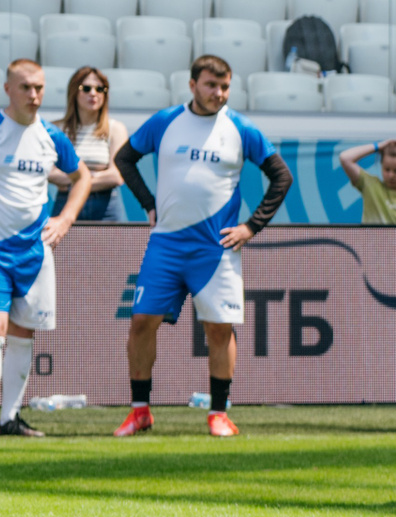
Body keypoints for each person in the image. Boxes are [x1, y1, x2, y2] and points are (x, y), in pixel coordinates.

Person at [111, 57, 293, 438]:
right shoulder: (165, 121)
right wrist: (148, 204)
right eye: (211, 85)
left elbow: (282, 176)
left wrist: (251, 227)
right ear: (192, 85)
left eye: (225, 86)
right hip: (165, 244)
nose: (219, 93)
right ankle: (140, 411)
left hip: (216, 248)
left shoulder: (241, 128)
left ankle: (219, 414)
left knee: (219, 329)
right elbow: (124, 159)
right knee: (141, 322)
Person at [0, 61, 89, 438]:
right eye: (25, 87)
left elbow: (82, 177)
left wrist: (66, 218)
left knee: (24, 333)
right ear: (7, 89)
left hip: (35, 253)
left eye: (39, 87)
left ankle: (10, 418)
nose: (34, 95)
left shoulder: (51, 136)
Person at [54, 66, 127, 222]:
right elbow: (50, 173)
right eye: (86, 88)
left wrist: (77, 180)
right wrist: (98, 177)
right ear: (74, 91)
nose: (93, 93)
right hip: (66, 202)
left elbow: (117, 176)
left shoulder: (116, 129)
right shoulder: (57, 129)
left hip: (107, 206)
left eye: (100, 89)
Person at [336, 139, 396, 225]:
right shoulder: (370, 184)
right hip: (370, 239)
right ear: (381, 165)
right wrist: (379, 146)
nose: (391, 175)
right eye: (387, 169)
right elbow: (345, 158)